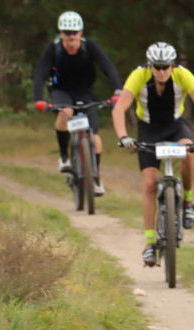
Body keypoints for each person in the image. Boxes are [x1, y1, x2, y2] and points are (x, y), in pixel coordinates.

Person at [112, 42, 194, 266]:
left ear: (173, 65)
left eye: (165, 67)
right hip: (148, 129)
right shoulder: (138, 76)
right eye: (157, 67)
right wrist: (123, 137)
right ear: (150, 65)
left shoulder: (183, 75)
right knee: (150, 183)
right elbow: (119, 108)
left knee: (188, 152)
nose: (161, 72)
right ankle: (150, 243)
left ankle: (187, 202)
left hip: (175, 126)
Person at [32, 11, 121, 197]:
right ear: (61, 33)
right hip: (61, 91)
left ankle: (96, 177)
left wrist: (118, 92)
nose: (71, 37)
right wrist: (39, 99)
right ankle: (64, 157)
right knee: (66, 112)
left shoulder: (90, 47)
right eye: (66, 32)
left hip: (85, 92)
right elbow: (40, 73)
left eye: (74, 32)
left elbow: (108, 68)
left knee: (95, 136)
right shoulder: (53, 48)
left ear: (81, 32)